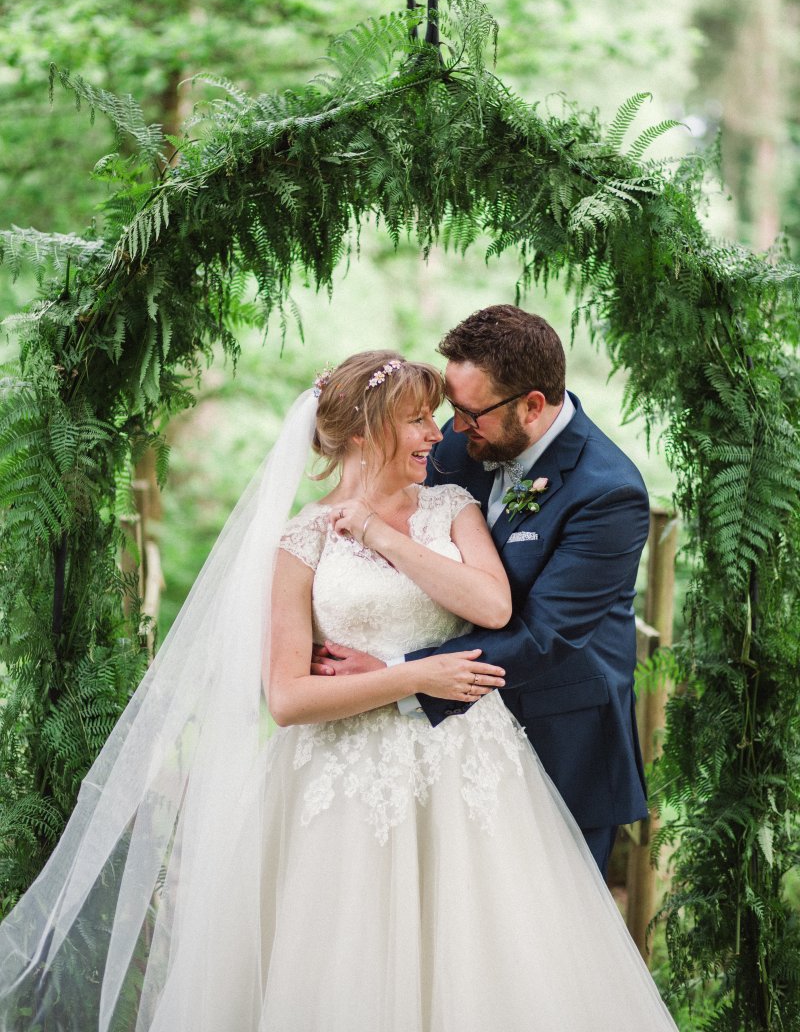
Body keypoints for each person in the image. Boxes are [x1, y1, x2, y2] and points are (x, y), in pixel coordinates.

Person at [0, 350, 677, 1031]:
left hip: (465, 761)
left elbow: (497, 609)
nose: (438, 434)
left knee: (489, 959)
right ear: (364, 430)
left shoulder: (454, 502)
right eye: (418, 419)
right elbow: (288, 699)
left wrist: (382, 537)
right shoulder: (300, 539)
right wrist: (409, 677)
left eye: (439, 418)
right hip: (341, 779)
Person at [313, 307, 650, 878]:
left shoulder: (609, 493)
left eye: (469, 413)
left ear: (532, 405)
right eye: (450, 409)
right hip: (440, 752)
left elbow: (545, 636)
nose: (450, 428)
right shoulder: (453, 445)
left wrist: (394, 672)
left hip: (556, 737)